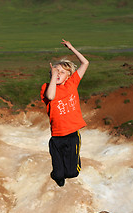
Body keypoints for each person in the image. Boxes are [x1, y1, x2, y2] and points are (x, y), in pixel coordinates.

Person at [41, 39, 89, 187]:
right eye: (55, 71)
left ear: (69, 75)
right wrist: (53, 78)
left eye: (62, 72)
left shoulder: (72, 83)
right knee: (59, 175)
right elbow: (50, 96)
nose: (58, 74)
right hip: (56, 137)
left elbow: (85, 63)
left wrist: (71, 48)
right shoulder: (47, 87)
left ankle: (74, 162)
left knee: (72, 173)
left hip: (72, 135)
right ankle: (56, 175)